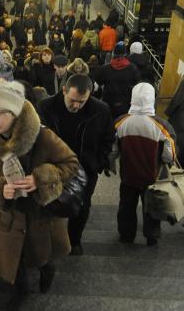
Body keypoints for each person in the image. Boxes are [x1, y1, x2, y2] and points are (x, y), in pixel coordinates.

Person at [0, 81, 79, 311]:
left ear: (16, 113)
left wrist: (41, 179)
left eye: (1, 112)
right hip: (8, 216)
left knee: (42, 252)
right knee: (14, 259)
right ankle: (19, 292)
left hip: (39, 213)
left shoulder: (43, 136)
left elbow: (71, 163)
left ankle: (47, 270)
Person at [39, 74, 115, 255]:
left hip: (86, 169)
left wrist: (98, 163)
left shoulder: (101, 110)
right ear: (64, 90)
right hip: (53, 169)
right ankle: (50, 242)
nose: (76, 106)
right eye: (72, 100)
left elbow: (108, 138)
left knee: (82, 206)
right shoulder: (45, 107)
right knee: (48, 204)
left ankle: (75, 241)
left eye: (82, 102)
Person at [110, 82, 176, 246]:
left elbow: (112, 149)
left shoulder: (121, 122)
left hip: (128, 174)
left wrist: (110, 164)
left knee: (126, 206)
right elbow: (169, 154)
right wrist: (167, 161)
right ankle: (151, 236)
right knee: (152, 207)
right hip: (152, 175)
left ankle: (126, 234)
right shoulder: (160, 125)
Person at [95, 41, 141, 119]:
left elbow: (96, 86)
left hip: (108, 103)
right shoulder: (132, 68)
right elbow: (137, 85)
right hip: (126, 103)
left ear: (113, 53)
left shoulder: (105, 68)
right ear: (125, 54)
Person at [165, 79, 184, 167]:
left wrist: (168, 112)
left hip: (180, 118)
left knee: (177, 142)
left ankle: (175, 164)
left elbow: (177, 99)